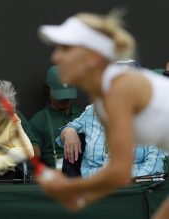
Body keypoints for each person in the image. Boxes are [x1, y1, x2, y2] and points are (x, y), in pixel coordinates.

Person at [36, 11, 169, 219]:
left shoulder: (121, 87)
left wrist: (69, 187)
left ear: (94, 57)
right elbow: (117, 172)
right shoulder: (101, 101)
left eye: (66, 48)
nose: (56, 56)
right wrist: (81, 199)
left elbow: (119, 172)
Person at [56, 104, 165, 178]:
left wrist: (128, 182)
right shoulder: (92, 111)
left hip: (134, 190)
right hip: (94, 189)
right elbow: (69, 128)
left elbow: (155, 164)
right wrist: (68, 131)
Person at [29, 66, 82, 170]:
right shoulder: (39, 121)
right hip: (54, 177)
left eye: (68, 95)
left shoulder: (83, 116)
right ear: (47, 90)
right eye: (61, 95)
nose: (65, 99)